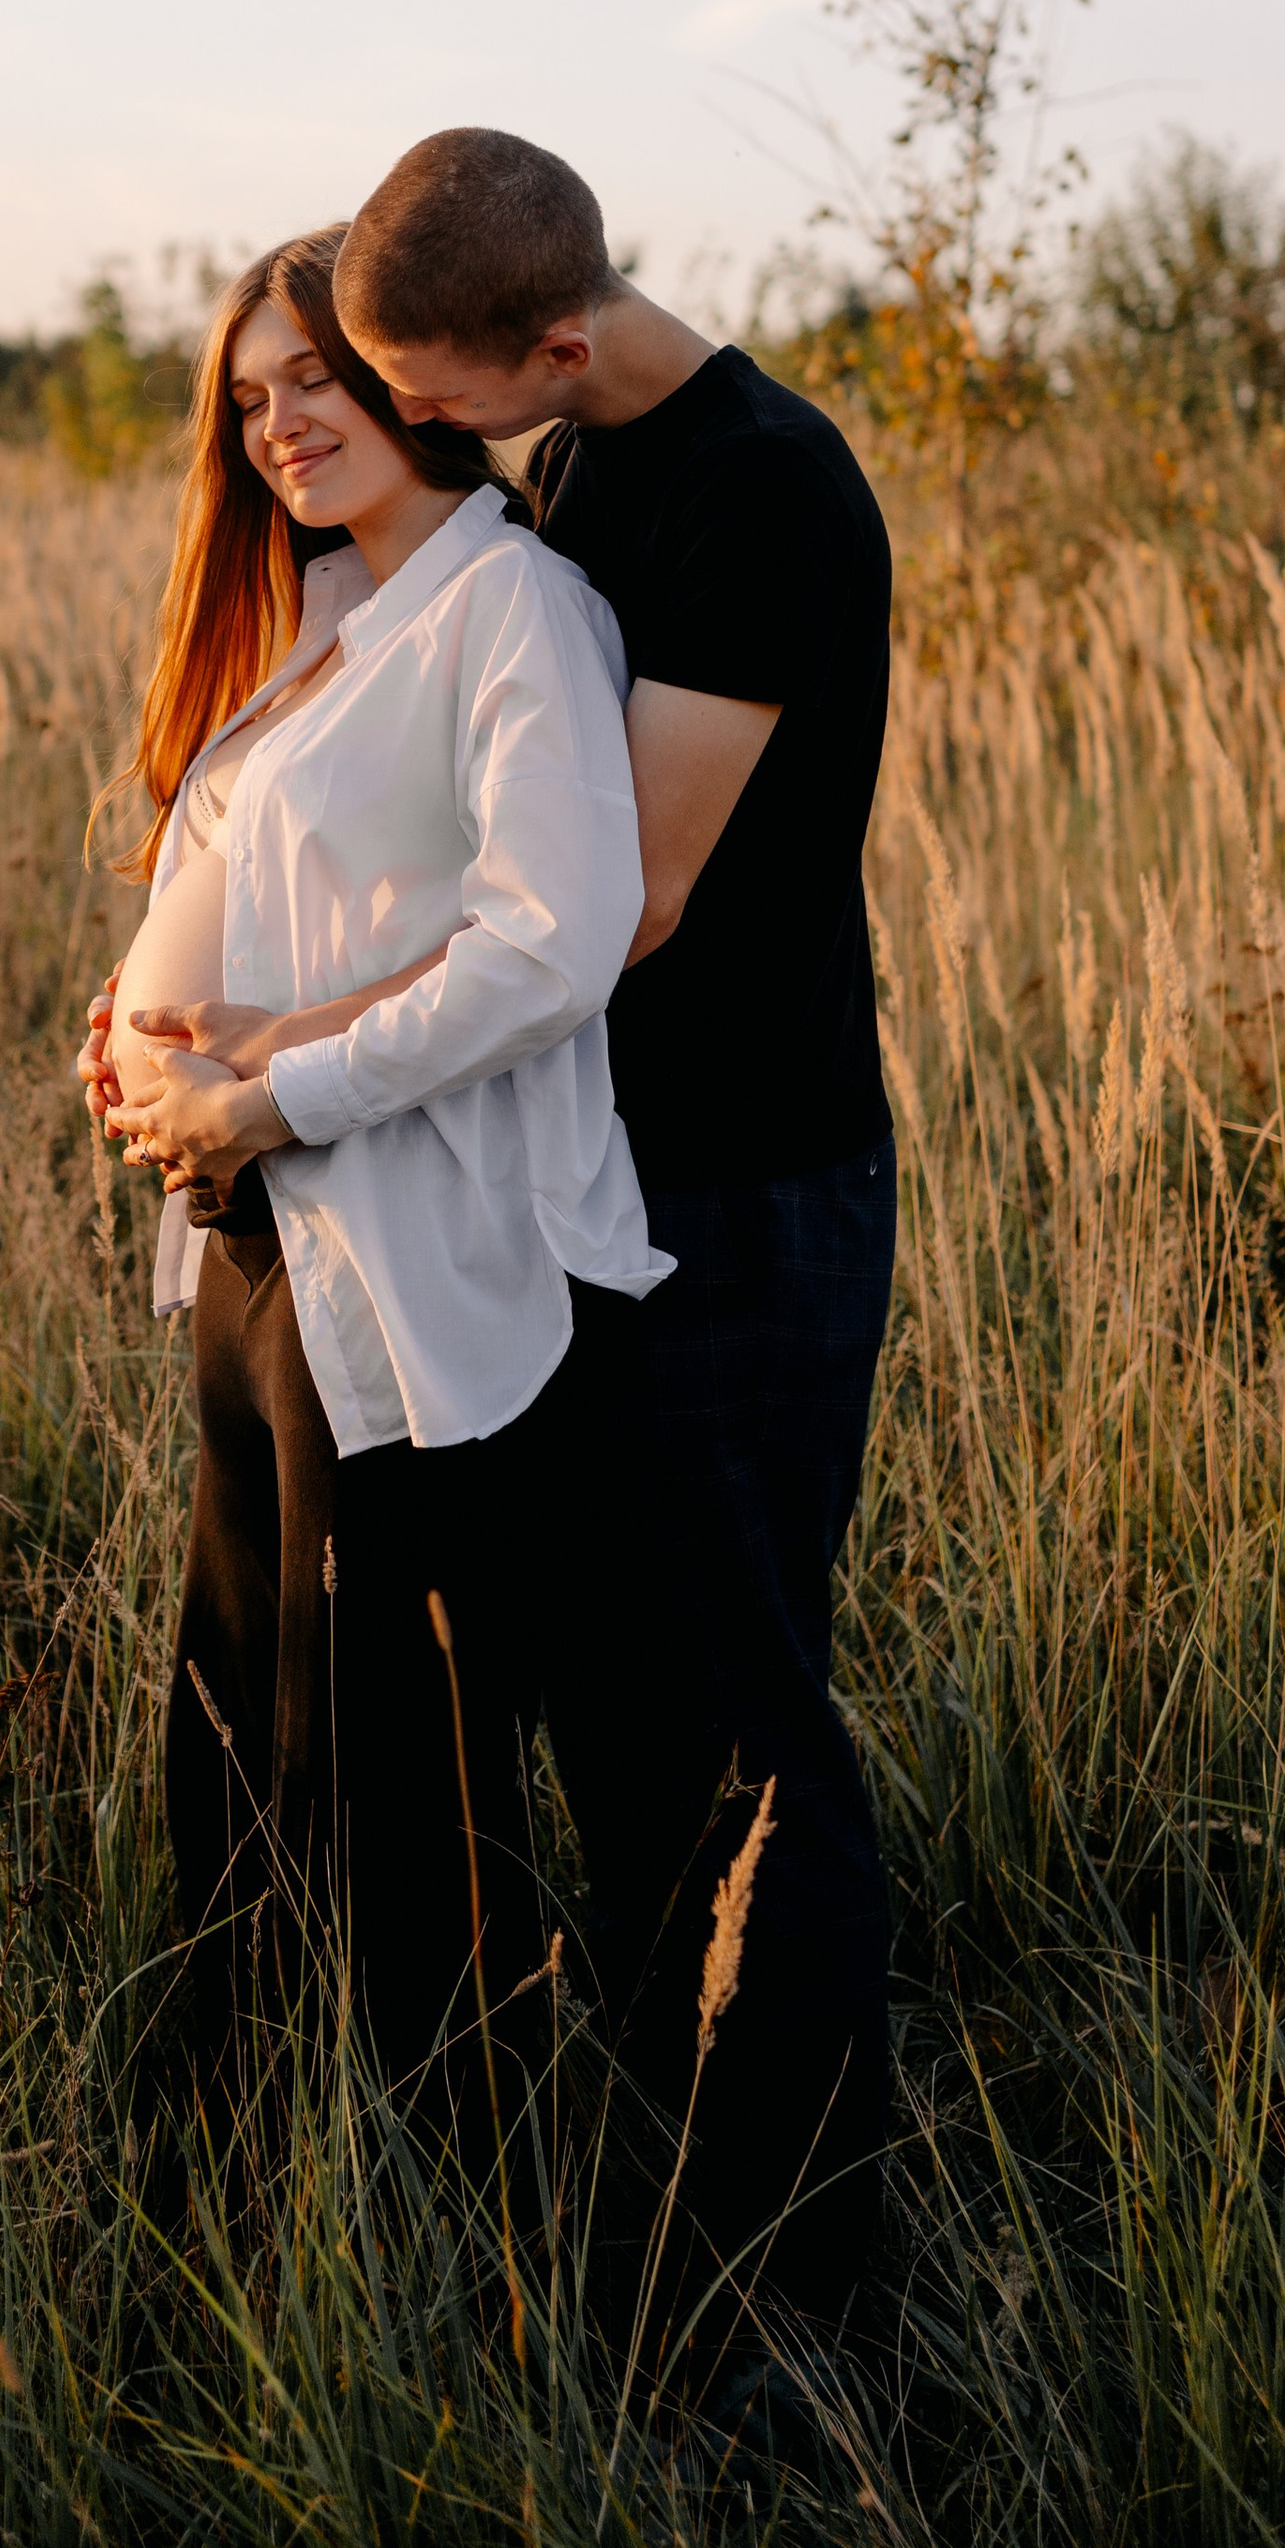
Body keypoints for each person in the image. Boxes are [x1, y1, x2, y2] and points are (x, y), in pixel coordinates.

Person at [331, 126, 898, 2326]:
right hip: (590, 1177)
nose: (422, 435)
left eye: (443, 397)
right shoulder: (563, 466)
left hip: (742, 1186)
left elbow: (614, 905)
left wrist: (303, 1039)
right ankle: (660, 2219)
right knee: (628, 1720)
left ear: (554, 339)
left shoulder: (757, 490)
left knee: (750, 1726)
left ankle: (804, 2312)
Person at [85, 222, 668, 2096]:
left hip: (407, 1267)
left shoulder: (513, 608)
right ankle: (248, 2158)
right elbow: (246, 893)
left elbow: (547, 940)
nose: (277, 425)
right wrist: (132, 1050)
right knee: (242, 1735)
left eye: (312, 379)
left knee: (395, 1771)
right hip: (252, 1251)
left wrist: (272, 1094)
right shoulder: (329, 613)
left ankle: (451, 2197)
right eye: (248, 400)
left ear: (405, 375)